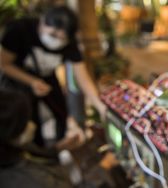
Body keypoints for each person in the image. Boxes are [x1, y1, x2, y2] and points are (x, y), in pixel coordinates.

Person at [0, 6, 107, 146]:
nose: (56, 41)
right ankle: (34, 151)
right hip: (18, 78)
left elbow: (82, 77)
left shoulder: (70, 43)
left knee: (61, 111)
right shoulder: (19, 30)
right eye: (53, 35)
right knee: (28, 117)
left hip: (47, 78)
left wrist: (100, 106)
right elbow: (4, 64)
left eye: (62, 38)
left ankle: (60, 146)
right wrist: (32, 81)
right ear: (42, 23)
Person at [0, 89, 72, 188]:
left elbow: (38, 154)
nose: (32, 126)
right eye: (24, 126)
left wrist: (59, 148)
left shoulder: (18, 147)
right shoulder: (21, 181)